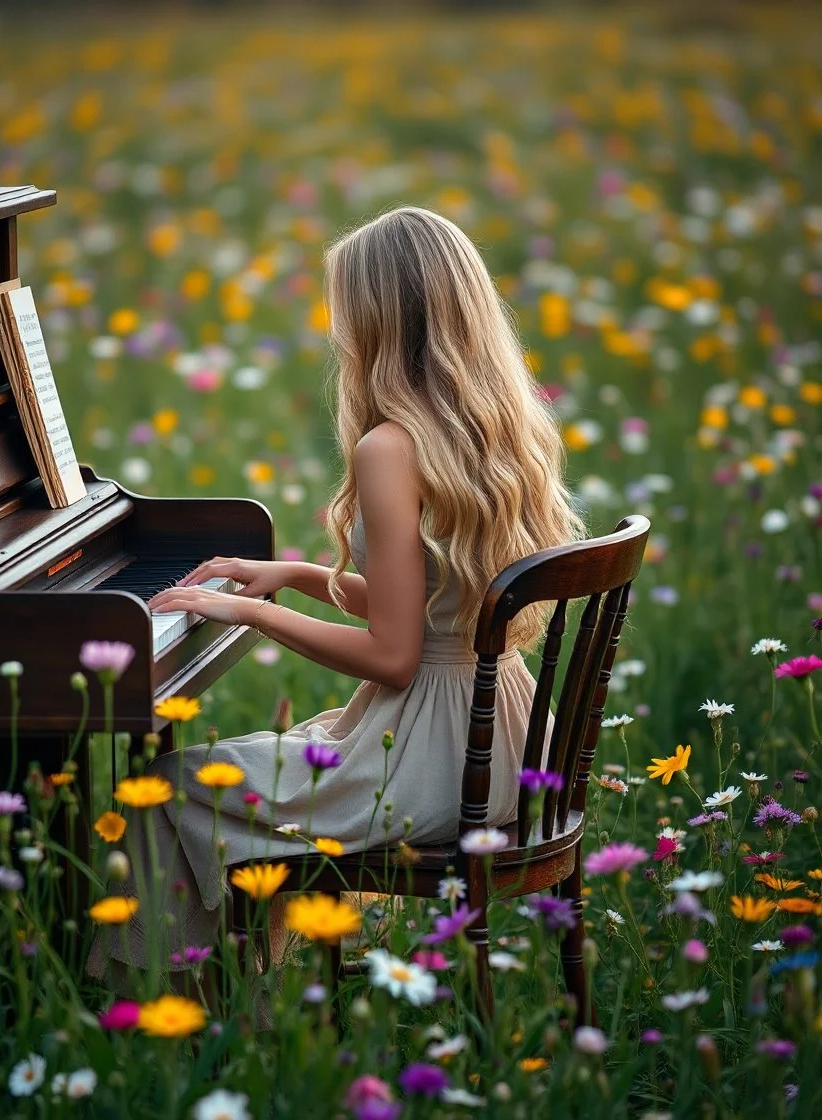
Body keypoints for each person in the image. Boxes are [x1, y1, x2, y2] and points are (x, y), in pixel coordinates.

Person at [88, 205, 584, 977]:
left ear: (379, 319)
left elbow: (392, 654)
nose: (336, 330)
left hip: (435, 756)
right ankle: (234, 1000)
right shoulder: (492, 425)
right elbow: (436, 604)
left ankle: (161, 1022)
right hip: (505, 742)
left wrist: (252, 611)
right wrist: (300, 577)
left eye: (343, 309)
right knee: (264, 767)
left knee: (164, 785)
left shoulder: (392, 448)